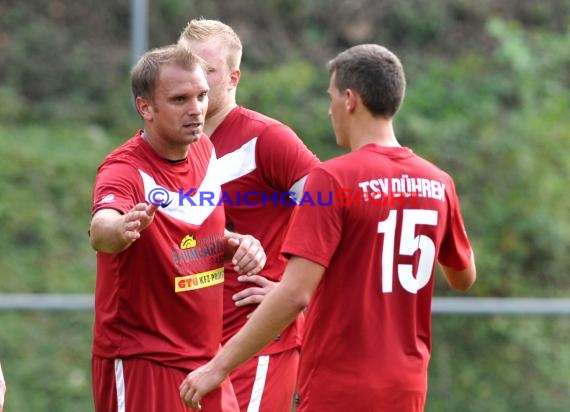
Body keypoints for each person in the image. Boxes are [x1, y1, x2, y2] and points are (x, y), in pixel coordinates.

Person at [179, 44, 477, 411]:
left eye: (331, 97)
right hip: (408, 382)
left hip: (340, 380)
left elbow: (295, 294)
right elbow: (463, 277)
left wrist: (216, 369)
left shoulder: (333, 179)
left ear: (349, 100)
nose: (329, 109)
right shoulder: (438, 183)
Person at [89, 44, 267, 412]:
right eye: (180, 99)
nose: (196, 109)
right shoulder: (124, 169)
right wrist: (120, 229)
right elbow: (101, 230)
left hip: (206, 362)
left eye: (201, 96)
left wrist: (238, 244)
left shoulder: (203, 149)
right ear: (145, 107)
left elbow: (201, 237)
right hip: (143, 361)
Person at [178, 19, 319, 412]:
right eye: (187, 66)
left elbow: (337, 219)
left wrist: (295, 293)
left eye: (208, 70)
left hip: (255, 342)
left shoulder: (267, 139)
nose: (196, 81)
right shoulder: (173, 146)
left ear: (234, 77)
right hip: (190, 344)